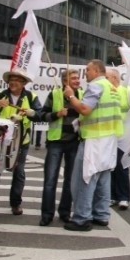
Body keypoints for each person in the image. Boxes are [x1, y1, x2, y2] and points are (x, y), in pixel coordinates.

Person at [63, 60, 123, 231]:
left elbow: (85, 109)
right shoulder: (112, 88)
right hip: (109, 138)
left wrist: (71, 96)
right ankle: (101, 214)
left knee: (85, 178)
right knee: (103, 178)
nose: (85, 74)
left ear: (96, 71)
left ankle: (81, 218)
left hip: (94, 139)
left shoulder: (96, 86)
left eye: (88, 70)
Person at [0, 70, 43, 219]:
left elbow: (40, 115)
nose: (13, 82)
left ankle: (15, 203)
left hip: (21, 142)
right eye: (11, 79)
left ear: (24, 83)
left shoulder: (31, 97)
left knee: (19, 172)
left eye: (17, 80)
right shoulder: (0, 96)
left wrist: (31, 113)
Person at [39, 69, 83, 226]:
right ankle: (46, 214)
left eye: (78, 78)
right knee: (50, 180)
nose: (78, 81)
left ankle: (64, 212)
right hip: (55, 142)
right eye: (74, 78)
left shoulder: (82, 95)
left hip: (75, 142)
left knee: (70, 180)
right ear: (65, 81)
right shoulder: (55, 94)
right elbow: (41, 115)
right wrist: (57, 114)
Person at [106, 69, 130, 211]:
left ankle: (123, 197)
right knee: (110, 165)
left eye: (107, 77)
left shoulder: (126, 91)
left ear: (115, 78)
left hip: (124, 134)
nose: (105, 79)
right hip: (108, 133)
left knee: (122, 166)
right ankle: (111, 195)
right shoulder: (105, 90)